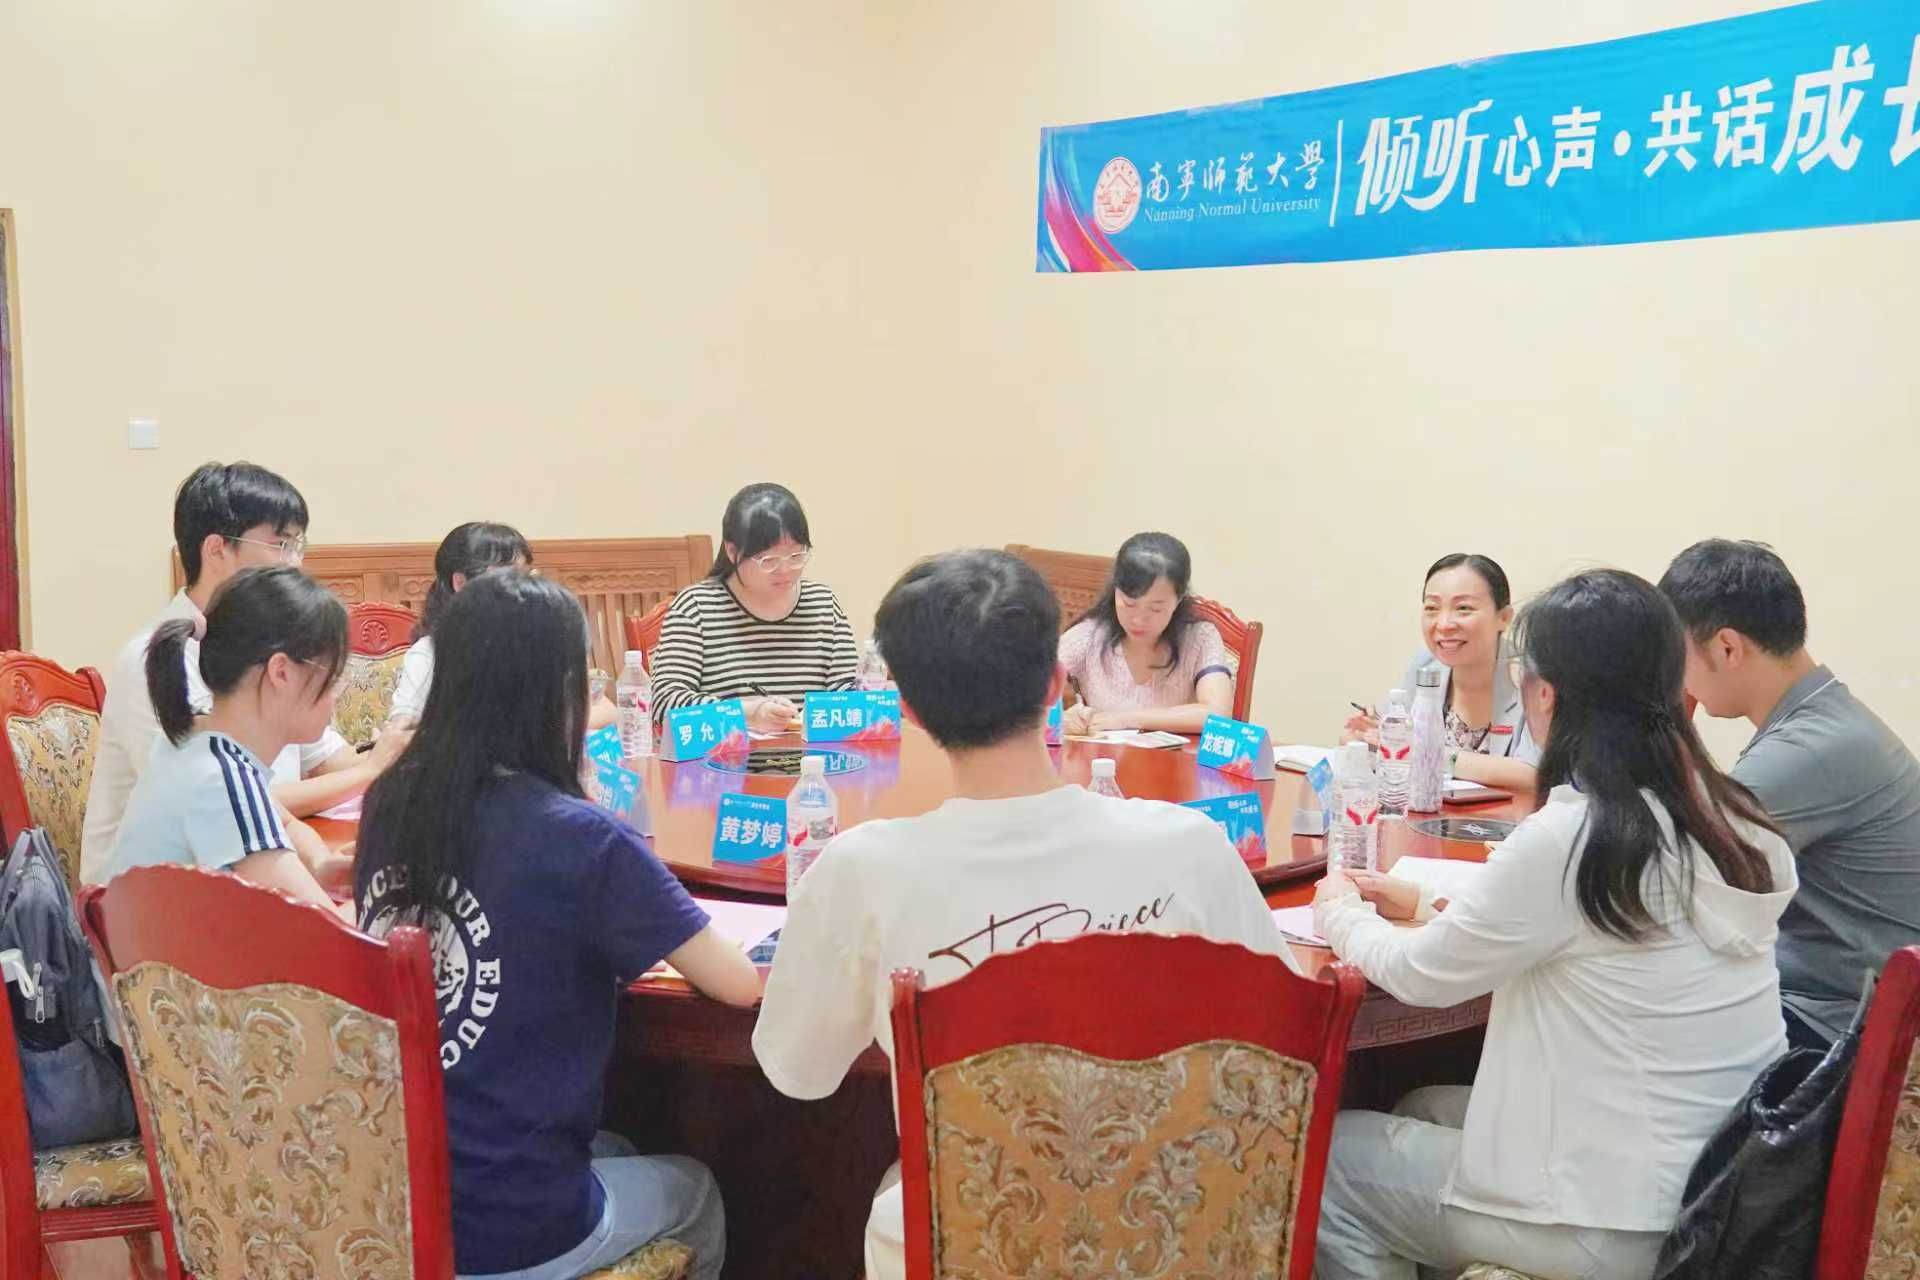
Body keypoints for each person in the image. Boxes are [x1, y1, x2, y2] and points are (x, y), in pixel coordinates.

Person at [752, 549, 1296, 1280]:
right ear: (1054, 684)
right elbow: (1280, 1055)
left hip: (967, 1246)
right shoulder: (1190, 847)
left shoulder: (861, 870)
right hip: (1171, 1240)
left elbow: (800, 1070)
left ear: (908, 710)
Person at [1311, 569, 1795, 1280]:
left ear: (1545, 694)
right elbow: (1596, 936)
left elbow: (1422, 976)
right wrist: (1422, 903)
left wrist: (1339, 912)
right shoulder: (1732, 818)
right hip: (1718, 1187)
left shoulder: (1577, 837)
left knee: (1329, 1158)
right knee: (1421, 1104)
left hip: (1606, 1220)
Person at [354, 571, 758, 1280]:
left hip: (395, 1205)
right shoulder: (580, 837)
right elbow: (739, 984)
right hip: (510, 1230)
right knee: (697, 1189)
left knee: (621, 1150)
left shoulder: (390, 800)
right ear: (560, 692)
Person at [81, 462, 409, 884]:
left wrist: (390, 757)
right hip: (150, 899)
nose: (295, 563)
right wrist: (368, 772)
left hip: (230, 867)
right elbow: (235, 798)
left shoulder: (263, 649)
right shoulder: (159, 660)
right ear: (217, 549)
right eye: (281, 544)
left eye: (298, 545)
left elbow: (316, 765)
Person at [1661, 538, 1920, 1049]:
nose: (1677, 677)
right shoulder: (1827, 718)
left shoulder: (1808, 750)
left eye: (1677, 656)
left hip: (1836, 1026)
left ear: (1727, 647)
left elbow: (1668, 866)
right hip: (1839, 999)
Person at [105, 566, 345, 911]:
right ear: (281, 673)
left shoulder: (193, 741)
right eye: (332, 678)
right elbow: (330, 934)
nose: (335, 696)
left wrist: (319, 864)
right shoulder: (221, 779)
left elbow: (284, 822)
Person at [649, 483, 857, 735]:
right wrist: (747, 713)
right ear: (732, 551)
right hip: (725, 758)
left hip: (812, 757)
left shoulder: (823, 604)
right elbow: (664, 704)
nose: (785, 570)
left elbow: (848, 698)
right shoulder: (696, 608)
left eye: (796, 556)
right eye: (769, 560)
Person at [1344, 553, 1539, 791]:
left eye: (1463, 608)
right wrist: (1362, 740)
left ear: (1504, 618)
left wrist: (1431, 755)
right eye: (1432, 608)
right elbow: (1387, 739)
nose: (1444, 624)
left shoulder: (1534, 678)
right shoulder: (1426, 664)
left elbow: (1532, 774)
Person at [1057, 531, 1234, 736]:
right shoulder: (1089, 637)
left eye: (1155, 608)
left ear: (1179, 599)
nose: (1139, 620)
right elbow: (1027, 690)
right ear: (1115, 591)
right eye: (1129, 604)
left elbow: (1218, 716)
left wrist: (1126, 719)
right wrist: (1059, 720)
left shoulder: (1200, 637)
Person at [388, 521, 533, 725]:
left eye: (526, 577)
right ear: (461, 582)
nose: (523, 590)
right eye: (508, 577)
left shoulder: (533, 643)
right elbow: (401, 729)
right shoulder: (429, 654)